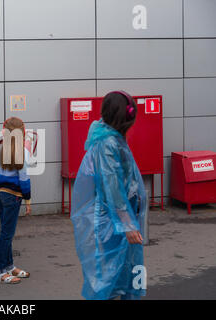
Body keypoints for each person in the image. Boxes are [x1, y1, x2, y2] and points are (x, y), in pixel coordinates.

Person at [71, 91, 147, 300]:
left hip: (118, 219)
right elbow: (112, 186)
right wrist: (127, 224)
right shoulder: (108, 143)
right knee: (109, 276)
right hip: (112, 222)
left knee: (121, 272)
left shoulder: (109, 137)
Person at [0, 117, 32, 284]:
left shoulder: (0, 149)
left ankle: (9, 266)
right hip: (13, 196)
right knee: (7, 234)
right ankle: (0, 271)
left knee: (6, 233)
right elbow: (24, 180)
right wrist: (28, 200)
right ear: (22, 132)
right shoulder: (23, 152)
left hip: (0, 194)